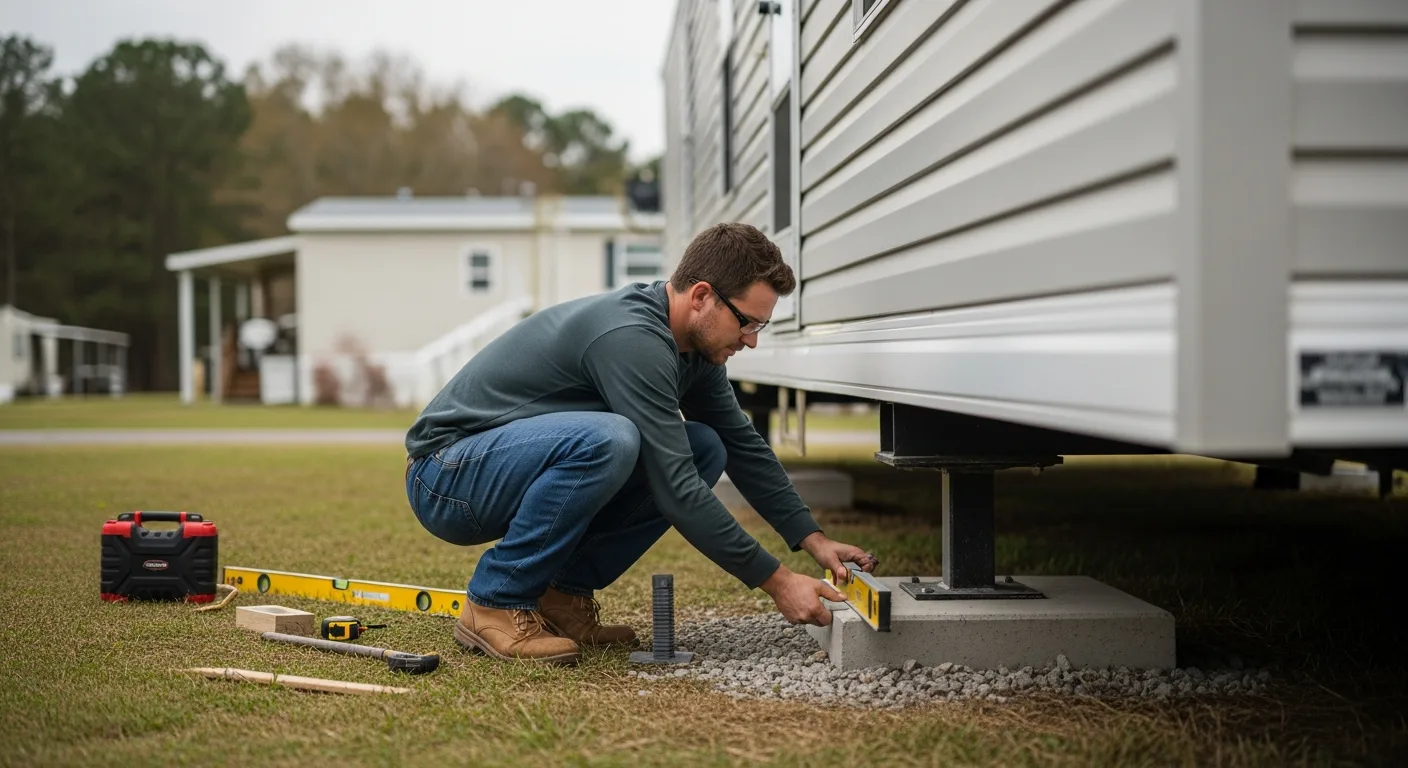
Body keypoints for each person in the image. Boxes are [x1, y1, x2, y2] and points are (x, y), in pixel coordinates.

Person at [403, 222, 878, 665]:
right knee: (610, 439)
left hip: (484, 467)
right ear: (701, 297)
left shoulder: (694, 353)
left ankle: (561, 594)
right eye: (747, 323)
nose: (750, 341)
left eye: (760, 326)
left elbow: (741, 444)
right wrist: (777, 582)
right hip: (445, 473)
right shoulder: (633, 338)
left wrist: (812, 539)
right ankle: (496, 600)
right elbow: (676, 487)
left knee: (705, 446)